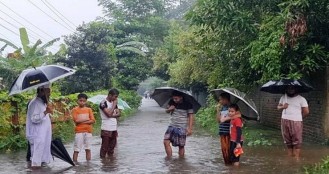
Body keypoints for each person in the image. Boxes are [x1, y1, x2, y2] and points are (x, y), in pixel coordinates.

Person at [277, 86, 309, 160]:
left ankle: (296, 157)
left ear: (296, 89)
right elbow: (278, 107)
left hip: (296, 121)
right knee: (287, 139)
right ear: (286, 89)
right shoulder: (283, 97)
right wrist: (283, 107)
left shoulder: (301, 99)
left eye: (292, 88)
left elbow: (306, 112)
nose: (290, 90)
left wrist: (299, 118)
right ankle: (290, 156)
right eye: (289, 88)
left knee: (297, 139)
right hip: (284, 119)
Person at [26, 84, 53, 169]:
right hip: (37, 136)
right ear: (42, 91)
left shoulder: (42, 103)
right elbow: (34, 118)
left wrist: (48, 111)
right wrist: (45, 112)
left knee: (41, 159)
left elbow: (44, 119)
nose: (49, 94)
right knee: (36, 160)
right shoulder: (34, 103)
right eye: (48, 92)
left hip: (43, 136)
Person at [164, 91, 194, 158]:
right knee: (165, 142)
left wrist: (190, 129)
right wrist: (169, 109)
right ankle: (169, 159)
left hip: (181, 127)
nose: (175, 100)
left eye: (176, 98)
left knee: (181, 146)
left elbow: (191, 117)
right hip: (171, 126)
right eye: (174, 98)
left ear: (181, 97)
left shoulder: (188, 104)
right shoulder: (171, 102)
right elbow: (166, 111)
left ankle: (181, 161)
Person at [72, 93, 95, 162]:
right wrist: (87, 119)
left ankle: (88, 165)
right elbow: (76, 120)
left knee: (88, 148)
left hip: (88, 131)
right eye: (80, 100)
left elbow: (93, 120)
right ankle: (75, 164)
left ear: (86, 101)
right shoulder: (75, 110)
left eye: (84, 101)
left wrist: (82, 121)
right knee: (76, 149)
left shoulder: (89, 109)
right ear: (77, 101)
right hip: (79, 132)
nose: (82, 102)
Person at [99, 88, 120, 158]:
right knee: (104, 147)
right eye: (115, 96)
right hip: (106, 128)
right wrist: (114, 105)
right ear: (110, 95)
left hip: (114, 127)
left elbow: (119, 114)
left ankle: (110, 164)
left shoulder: (114, 103)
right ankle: (103, 164)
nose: (116, 98)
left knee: (112, 147)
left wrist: (111, 114)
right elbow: (108, 114)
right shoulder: (103, 103)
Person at [216, 92, 231, 164]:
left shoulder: (231, 108)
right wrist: (218, 111)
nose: (220, 102)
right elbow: (218, 121)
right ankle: (227, 165)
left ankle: (229, 164)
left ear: (226, 99)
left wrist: (225, 119)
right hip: (222, 131)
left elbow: (234, 117)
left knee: (228, 149)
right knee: (223, 149)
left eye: (221, 100)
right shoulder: (222, 108)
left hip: (229, 132)